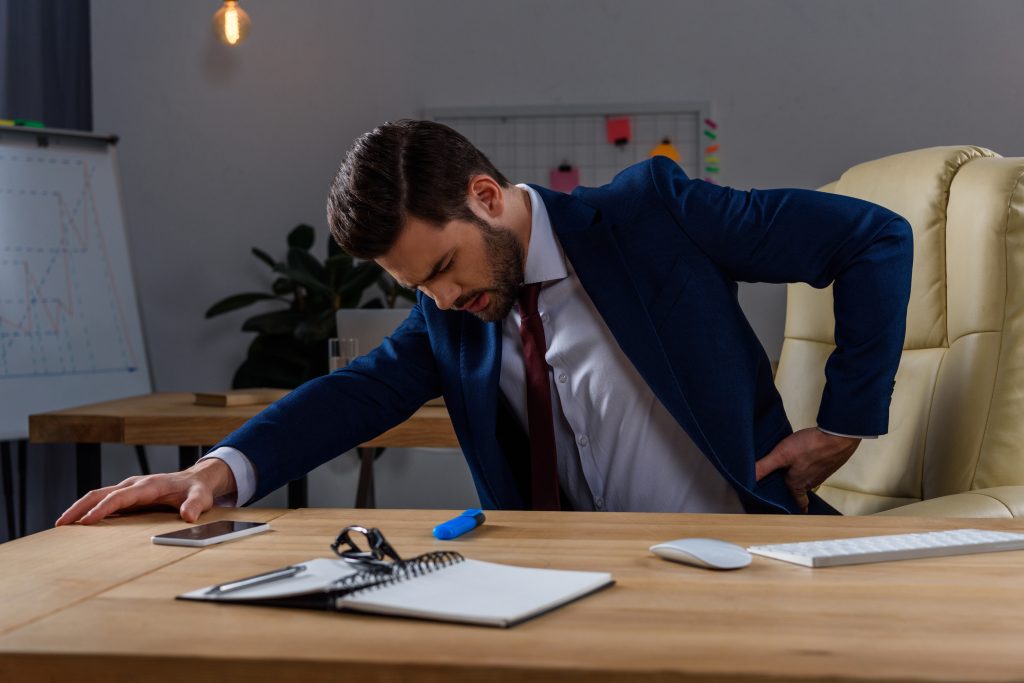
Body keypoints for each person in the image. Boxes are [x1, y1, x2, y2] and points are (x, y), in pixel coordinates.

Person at [57, 119, 912, 526]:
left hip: (744, 563)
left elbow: (873, 238)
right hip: (569, 593)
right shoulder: (451, 314)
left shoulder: (653, 217)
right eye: (412, 286)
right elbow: (357, 392)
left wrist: (844, 421)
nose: (436, 302)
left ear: (487, 198)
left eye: (438, 269)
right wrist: (217, 468)